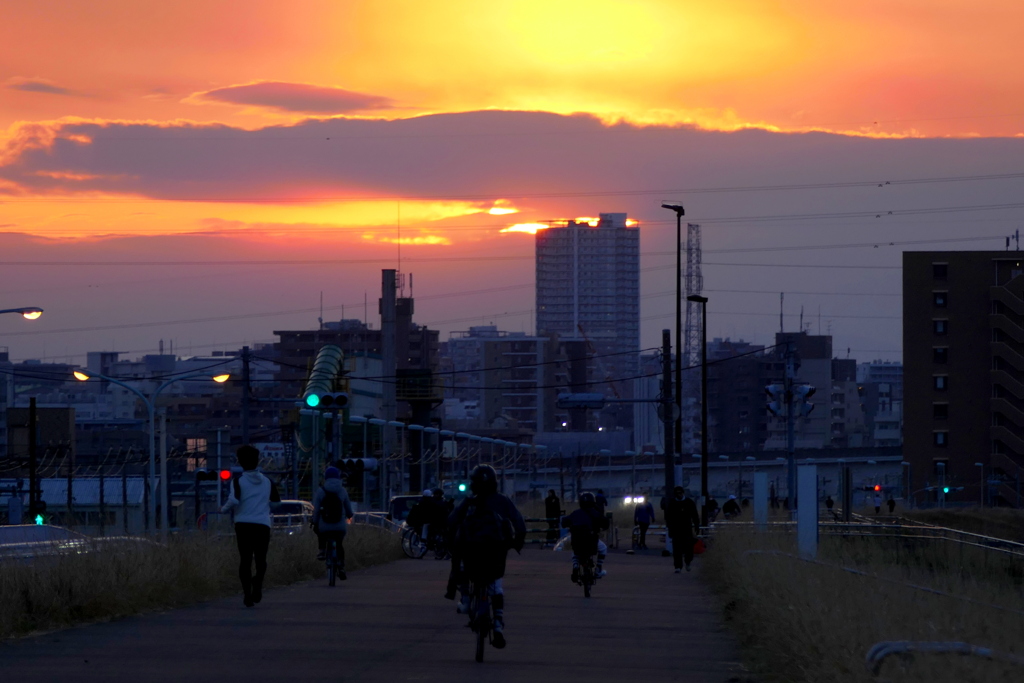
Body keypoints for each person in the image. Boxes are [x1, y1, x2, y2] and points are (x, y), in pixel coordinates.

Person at [448, 464, 526, 649]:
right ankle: (497, 624)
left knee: (460, 568)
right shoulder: (504, 501)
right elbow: (519, 523)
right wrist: (516, 543)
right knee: (496, 586)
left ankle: (466, 598)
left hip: (471, 553)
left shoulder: (469, 502)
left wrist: (451, 540)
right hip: (496, 553)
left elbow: (452, 520)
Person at [221, 444, 280, 607]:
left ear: (240, 462)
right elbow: (276, 502)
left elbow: (234, 500)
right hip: (262, 524)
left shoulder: (238, 481)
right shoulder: (268, 481)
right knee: (261, 558)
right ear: (257, 460)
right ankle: (258, 583)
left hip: (243, 524)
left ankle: (247, 594)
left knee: (245, 560)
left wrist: (223, 509)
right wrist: (264, 506)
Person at [312, 466, 354, 577]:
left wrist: (314, 522)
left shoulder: (321, 491)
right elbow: (348, 508)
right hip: (340, 526)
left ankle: (322, 551)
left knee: (320, 532)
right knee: (339, 544)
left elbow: (316, 511)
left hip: (324, 526)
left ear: (326, 478)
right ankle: (341, 566)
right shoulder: (343, 491)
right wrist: (349, 515)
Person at [561, 491, 609, 581]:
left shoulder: (575, 513)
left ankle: (575, 565)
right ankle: (598, 568)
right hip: (591, 541)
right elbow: (605, 523)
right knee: (603, 549)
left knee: (575, 551)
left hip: (577, 540)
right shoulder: (596, 513)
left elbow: (564, 521)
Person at [662, 486, 700, 573]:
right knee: (677, 549)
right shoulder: (672, 503)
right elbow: (668, 517)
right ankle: (678, 566)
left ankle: (688, 561)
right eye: (677, 493)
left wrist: (697, 525)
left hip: (687, 528)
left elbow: (695, 515)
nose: (679, 495)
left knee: (688, 548)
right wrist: (670, 529)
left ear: (683, 493)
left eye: (680, 493)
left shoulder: (689, 502)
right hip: (676, 529)